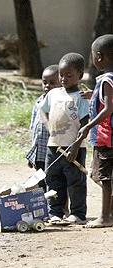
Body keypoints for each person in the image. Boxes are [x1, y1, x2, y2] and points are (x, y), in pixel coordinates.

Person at [40, 52, 90, 225]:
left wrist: (75, 146)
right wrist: (48, 126)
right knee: (53, 179)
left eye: (69, 75)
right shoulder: (53, 94)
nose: (63, 79)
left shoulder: (81, 98)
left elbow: (85, 125)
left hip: (73, 148)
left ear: (80, 76)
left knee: (75, 181)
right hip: (53, 146)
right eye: (61, 75)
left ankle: (78, 214)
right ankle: (55, 212)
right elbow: (42, 110)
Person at [71, 34, 113, 228]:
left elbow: (108, 108)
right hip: (108, 137)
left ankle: (105, 217)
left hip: (106, 138)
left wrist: (88, 125)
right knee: (102, 176)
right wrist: (92, 95)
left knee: (103, 178)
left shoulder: (106, 80)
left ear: (98, 56)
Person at [26, 64, 60, 192]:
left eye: (52, 83)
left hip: (54, 153)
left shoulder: (60, 103)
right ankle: (46, 210)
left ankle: (63, 209)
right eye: (44, 82)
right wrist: (32, 155)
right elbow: (34, 130)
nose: (47, 86)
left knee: (56, 182)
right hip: (39, 154)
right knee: (41, 183)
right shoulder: (39, 102)